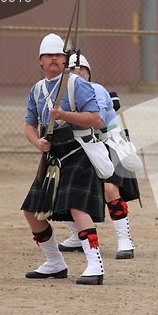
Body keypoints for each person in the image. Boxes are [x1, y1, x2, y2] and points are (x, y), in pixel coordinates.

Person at [22, 33, 106, 285]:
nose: (53, 59)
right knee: (31, 212)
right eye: (48, 55)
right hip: (52, 157)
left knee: (77, 208)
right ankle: (55, 263)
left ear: (65, 59)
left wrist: (65, 115)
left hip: (78, 150)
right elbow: (29, 124)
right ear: (40, 60)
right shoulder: (36, 90)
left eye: (58, 55)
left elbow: (96, 119)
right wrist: (37, 142)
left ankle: (95, 265)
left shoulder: (75, 84)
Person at [57, 53, 138, 260]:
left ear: (89, 73)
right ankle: (76, 236)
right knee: (66, 187)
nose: (76, 73)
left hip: (108, 142)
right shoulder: (61, 94)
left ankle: (124, 239)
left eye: (80, 69)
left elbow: (98, 121)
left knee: (110, 188)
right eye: (71, 70)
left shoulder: (97, 90)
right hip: (81, 145)